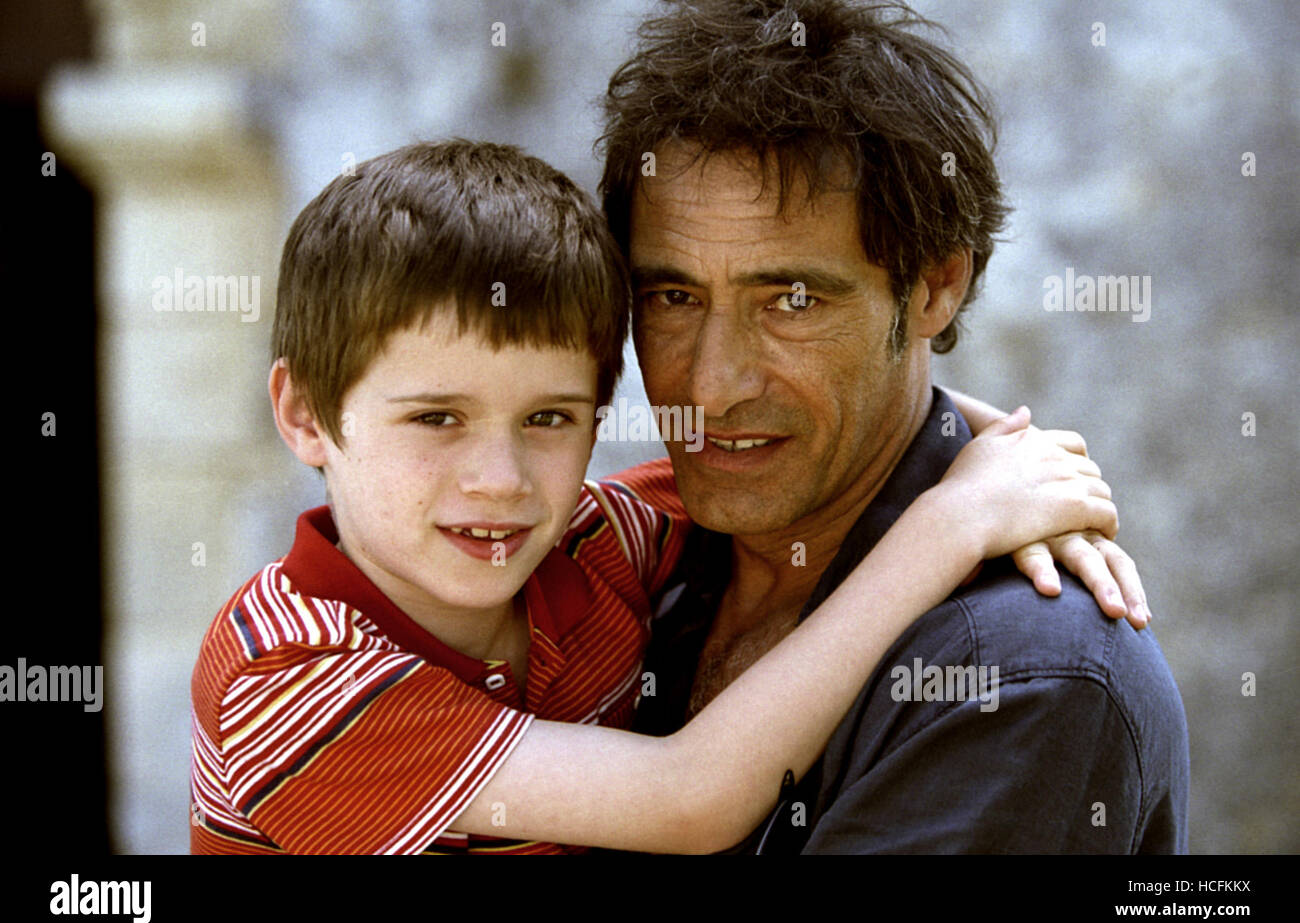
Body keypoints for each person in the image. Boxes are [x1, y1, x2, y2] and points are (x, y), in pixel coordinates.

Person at [190, 139, 1130, 854]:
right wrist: (956, 523)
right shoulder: (288, 675)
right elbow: (689, 797)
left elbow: (824, 450)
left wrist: (1008, 461)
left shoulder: (598, 544)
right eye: (436, 419)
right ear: (306, 413)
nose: (502, 480)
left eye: (551, 419)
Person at [598, 0, 1190, 852]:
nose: (711, 386)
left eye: (791, 300)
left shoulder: (1021, 675)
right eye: (673, 297)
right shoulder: (611, 568)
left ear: (935, 287)